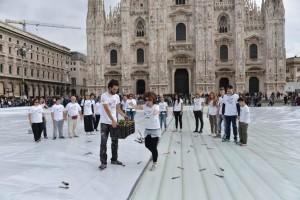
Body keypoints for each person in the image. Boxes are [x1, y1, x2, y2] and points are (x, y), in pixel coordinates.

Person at [99, 79, 128, 170]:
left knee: (115, 141)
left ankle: (114, 159)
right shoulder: (104, 96)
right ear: (109, 87)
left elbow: (117, 109)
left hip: (114, 123)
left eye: (117, 89)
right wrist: (113, 120)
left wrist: (124, 115)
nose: (116, 91)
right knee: (103, 143)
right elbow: (107, 109)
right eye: (114, 89)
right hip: (105, 123)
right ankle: (103, 162)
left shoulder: (117, 97)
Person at [132, 92, 161, 171]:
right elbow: (138, 107)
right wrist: (132, 105)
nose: (147, 102)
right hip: (148, 129)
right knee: (147, 145)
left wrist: (155, 113)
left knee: (154, 147)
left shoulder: (156, 106)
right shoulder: (145, 106)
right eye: (146, 100)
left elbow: (157, 111)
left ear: (153, 100)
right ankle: (154, 154)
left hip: (155, 129)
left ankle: (155, 162)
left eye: (149, 100)